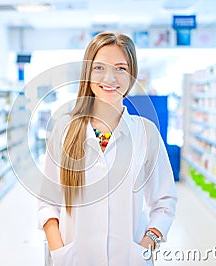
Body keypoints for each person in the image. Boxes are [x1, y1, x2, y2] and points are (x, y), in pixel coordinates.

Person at [37, 32, 177, 266]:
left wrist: (145, 245)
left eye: (121, 68)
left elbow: (164, 201)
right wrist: (59, 252)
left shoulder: (146, 133)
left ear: (132, 74)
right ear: (87, 73)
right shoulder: (63, 130)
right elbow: (47, 203)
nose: (110, 78)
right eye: (99, 68)